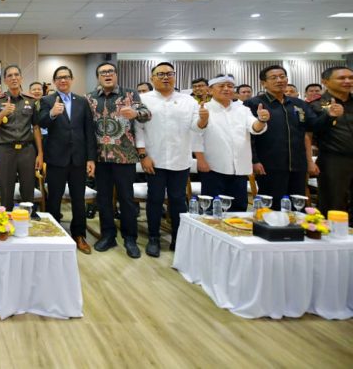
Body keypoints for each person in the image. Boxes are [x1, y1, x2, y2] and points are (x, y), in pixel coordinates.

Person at [135, 62, 204, 256]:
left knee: (178, 199)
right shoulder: (143, 99)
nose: (165, 77)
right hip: (153, 159)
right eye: (160, 74)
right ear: (152, 78)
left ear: (175, 76)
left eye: (169, 74)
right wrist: (143, 155)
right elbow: (138, 129)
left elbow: (196, 128)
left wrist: (203, 120)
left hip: (180, 159)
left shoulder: (188, 101)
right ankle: (154, 238)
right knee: (155, 199)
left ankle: (178, 238)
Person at [87, 62, 151, 258]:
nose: (107, 75)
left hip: (124, 157)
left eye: (110, 72)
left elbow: (147, 114)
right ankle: (108, 235)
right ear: (98, 76)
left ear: (116, 75)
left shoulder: (130, 95)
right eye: (103, 72)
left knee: (127, 199)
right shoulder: (90, 98)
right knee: (104, 200)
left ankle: (130, 238)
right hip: (101, 157)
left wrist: (135, 113)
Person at [245, 65, 328, 209]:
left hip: (297, 163)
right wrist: (254, 160)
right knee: (272, 205)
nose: (279, 80)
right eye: (274, 77)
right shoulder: (253, 103)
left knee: (297, 204)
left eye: (282, 76)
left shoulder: (298, 104)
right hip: (268, 164)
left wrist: (329, 115)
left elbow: (312, 127)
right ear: (263, 83)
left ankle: (295, 231)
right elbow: (248, 136)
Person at [39, 66, 96, 254]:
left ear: (72, 79)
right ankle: (53, 233)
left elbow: (88, 131)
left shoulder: (81, 101)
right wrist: (52, 114)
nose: (63, 80)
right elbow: (41, 124)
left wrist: (91, 158)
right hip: (56, 158)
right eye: (59, 78)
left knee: (78, 199)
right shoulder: (47, 100)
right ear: (54, 81)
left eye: (66, 77)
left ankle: (79, 235)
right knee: (54, 198)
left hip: (79, 159)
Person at [196, 74, 269, 212]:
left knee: (239, 209)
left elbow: (254, 128)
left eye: (230, 86)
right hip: (213, 167)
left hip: (239, 168)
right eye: (221, 86)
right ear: (210, 90)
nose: (226, 89)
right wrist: (200, 160)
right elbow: (195, 136)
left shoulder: (243, 109)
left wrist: (262, 120)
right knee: (212, 210)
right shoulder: (203, 108)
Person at [0, 65, 43, 211]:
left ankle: (26, 222)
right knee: (6, 190)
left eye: (16, 74)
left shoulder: (31, 100)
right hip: (6, 150)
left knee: (28, 189)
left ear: (21, 78)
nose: (14, 78)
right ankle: (6, 226)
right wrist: (3, 112)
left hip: (27, 151)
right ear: (5, 80)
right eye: (10, 75)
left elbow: (36, 127)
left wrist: (40, 153)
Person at [309, 66, 351, 220]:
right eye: (341, 78)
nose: (347, 81)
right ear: (325, 82)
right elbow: (310, 132)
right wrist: (330, 116)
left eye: (350, 78)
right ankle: (334, 242)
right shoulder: (315, 105)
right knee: (333, 204)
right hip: (333, 160)